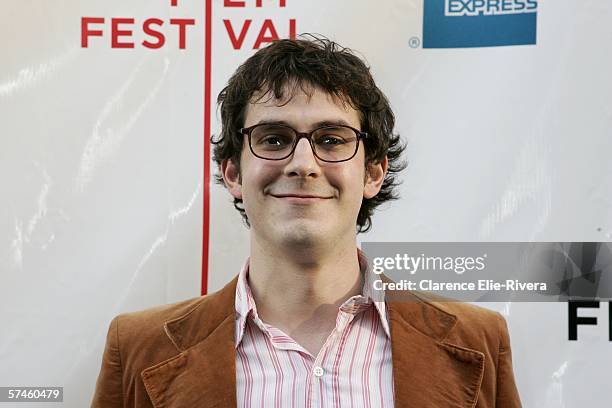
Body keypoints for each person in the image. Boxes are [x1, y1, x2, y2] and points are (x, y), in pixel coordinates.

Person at [92, 35, 521, 407]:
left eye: (332, 140)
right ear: (233, 173)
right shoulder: (139, 348)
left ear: (373, 172)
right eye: (273, 139)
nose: (303, 164)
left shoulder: (477, 339)